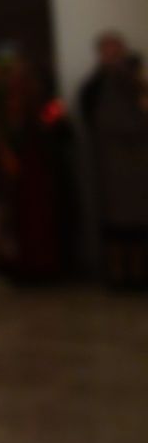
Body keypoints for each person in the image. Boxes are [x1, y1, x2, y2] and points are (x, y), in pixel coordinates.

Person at [78, 32, 148, 286]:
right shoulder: (95, 83)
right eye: (106, 50)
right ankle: (117, 273)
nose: (112, 55)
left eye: (115, 49)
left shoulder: (136, 76)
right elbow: (86, 110)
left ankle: (140, 273)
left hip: (139, 159)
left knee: (140, 219)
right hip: (110, 161)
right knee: (114, 221)